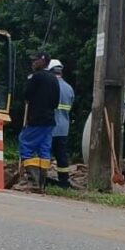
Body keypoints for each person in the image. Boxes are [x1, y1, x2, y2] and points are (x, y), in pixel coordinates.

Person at [19, 51, 60, 192]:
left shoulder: (36, 77)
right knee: (44, 150)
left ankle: (33, 181)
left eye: (35, 60)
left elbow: (26, 95)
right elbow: (55, 102)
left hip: (36, 119)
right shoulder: (54, 79)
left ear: (43, 61)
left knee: (25, 143)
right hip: (49, 120)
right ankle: (42, 182)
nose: (33, 63)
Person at [47, 59, 75, 188]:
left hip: (49, 127)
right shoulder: (69, 88)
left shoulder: (49, 86)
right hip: (63, 128)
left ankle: (42, 179)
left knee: (45, 154)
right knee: (61, 156)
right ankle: (64, 182)